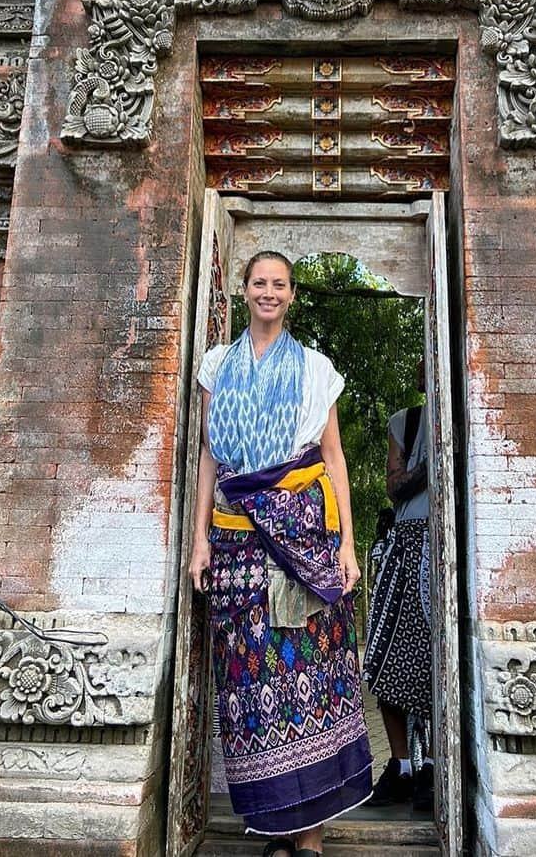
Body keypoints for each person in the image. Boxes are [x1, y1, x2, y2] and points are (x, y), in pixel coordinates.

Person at [189, 250, 373, 857]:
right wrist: (198, 542)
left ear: (292, 296)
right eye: (259, 283)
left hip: (303, 541)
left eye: (280, 285)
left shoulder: (315, 369)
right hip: (236, 543)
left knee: (309, 677)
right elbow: (211, 459)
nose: (269, 292)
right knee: (251, 681)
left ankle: (312, 838)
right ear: (243, 291)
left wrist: (347, 543)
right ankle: (274, 827)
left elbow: (333, 457)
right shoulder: (219, 367)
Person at [362, 401, 434, 813]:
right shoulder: (404, 424)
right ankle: (402, 765)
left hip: (446, 544)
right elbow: (394, 487)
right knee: (385, 659)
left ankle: (434, 766)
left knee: (436, 664)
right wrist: (432, 463)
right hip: (405, 545)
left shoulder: (462, 414)